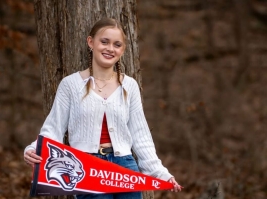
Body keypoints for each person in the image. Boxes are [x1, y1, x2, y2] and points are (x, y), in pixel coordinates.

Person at [23, 17, 182, 199]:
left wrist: (161, 173)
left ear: (122, 50)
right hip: (86, 167)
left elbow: (141, 135)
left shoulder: (129, 86)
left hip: (125, 167)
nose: (110, 49)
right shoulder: (71, 85)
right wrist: (34, 149)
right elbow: (54, 128)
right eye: (104, 42)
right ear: (91, 42)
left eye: (117, 44)